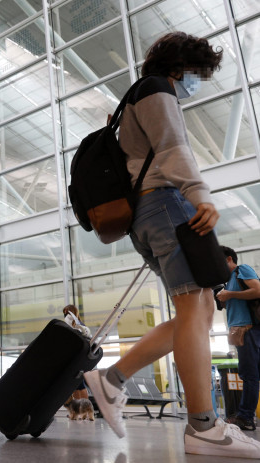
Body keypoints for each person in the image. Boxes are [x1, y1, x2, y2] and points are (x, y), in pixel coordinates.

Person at [82, 32, 260, 458]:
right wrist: (201, 197)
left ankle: (110, 380)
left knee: (194, 311)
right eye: (198, 74)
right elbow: (172, 149)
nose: (198, 83)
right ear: (181, 67)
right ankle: (203, 427)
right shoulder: (157, 89)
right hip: (165, 206)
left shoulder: (133, 100)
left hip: (145, 215)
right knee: (195, 308)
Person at [217, 246, 260, 430]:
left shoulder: (241, 270)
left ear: (228, 259)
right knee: (251, 374)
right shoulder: (228, 281)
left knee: (249, 375)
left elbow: (258, 290)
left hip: (249, 329)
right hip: (241, 330)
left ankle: (246, 417)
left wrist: (230, 294)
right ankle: (245, 415)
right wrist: (225, 299)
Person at [62, 305, 90, 400]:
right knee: (80, 385)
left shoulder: (68, 321)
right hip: (82, 358)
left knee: (75, 386)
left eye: (64, 311)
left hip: (73, 358)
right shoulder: (81, 324)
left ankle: (79, 411)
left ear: (67, 311)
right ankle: (86, 410)